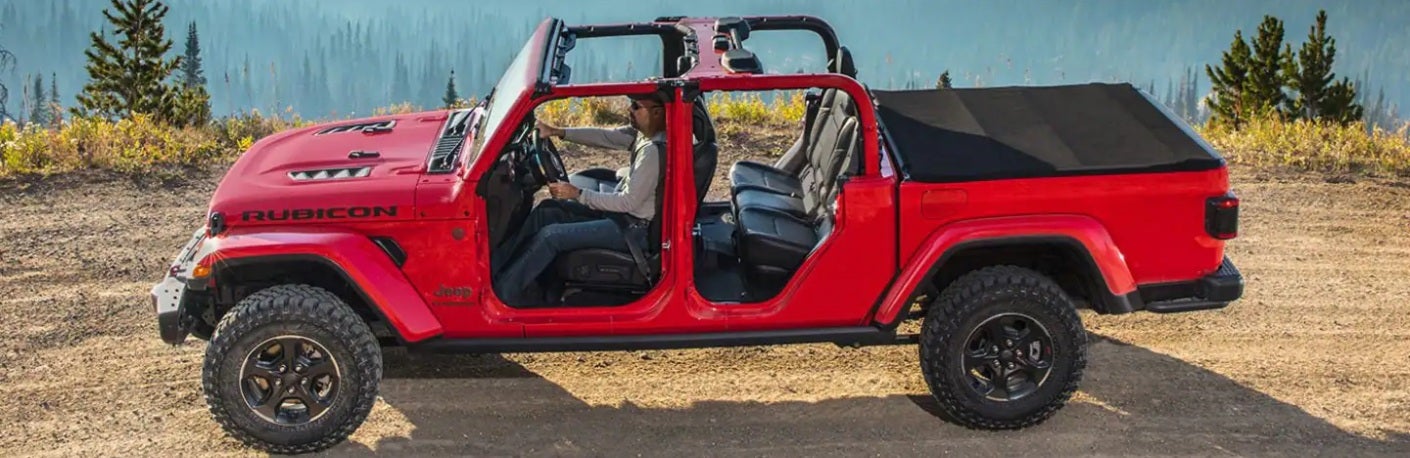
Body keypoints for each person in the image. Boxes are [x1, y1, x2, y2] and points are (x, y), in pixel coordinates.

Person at [491, 92, 668, 306]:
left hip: (633, 229)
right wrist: (559, 132)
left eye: (636, 106)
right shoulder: (643, 135)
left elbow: (627, 203)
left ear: (657, 112)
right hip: (624, 218)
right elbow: (606, 137)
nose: (629, 110)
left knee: (551, 236)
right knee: (547, 210)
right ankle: (497, 270)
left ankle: (501, 296)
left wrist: (577, 194)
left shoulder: (653, 153)